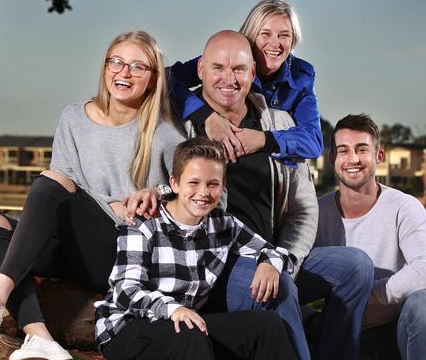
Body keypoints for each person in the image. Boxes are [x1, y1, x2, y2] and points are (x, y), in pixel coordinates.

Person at [128, 30, 374, 360]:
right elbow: (163, 187)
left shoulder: (279, 123)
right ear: (200, 69)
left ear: (252, 74)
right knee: (278, 288)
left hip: (272, 254)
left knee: (355, 265)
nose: (228, 79)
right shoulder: (177, 126)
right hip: (215, 265)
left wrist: (280, 259)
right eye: (218, 68)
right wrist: (154, 190)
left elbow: (302, 209)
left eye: (239, 69)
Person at [0, 31, 185, 360]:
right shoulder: (74, 116)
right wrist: (106, 201)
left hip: (121, 254)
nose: (124, 72)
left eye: (137, 67)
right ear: (104, 68)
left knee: (50, 177)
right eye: (116, 62)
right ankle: (38, 336)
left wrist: (157, 192)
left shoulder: (164, 135)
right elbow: (59, 196)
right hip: (71, 245)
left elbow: (198, 196)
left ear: (152, 78)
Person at [95, 138, 300, 360]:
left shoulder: (223, 224)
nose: (203, 192)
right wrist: (172, 309)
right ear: (174, 184)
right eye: (193, 183)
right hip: (128, 327)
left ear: (223, 186)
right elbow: (125, 291)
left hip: (186, 322)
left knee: (266, 326)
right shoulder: (144, 224)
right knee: (189, 334)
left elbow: (277, 252)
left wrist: (269, 263)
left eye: (212, 184)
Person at [314, 114, 426, 360]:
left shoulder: (404, 207)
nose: (353, 159)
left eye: (362, 149)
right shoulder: (315, 213)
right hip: (337, 330)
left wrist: (367, 295)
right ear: (333, 158)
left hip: (394, 330)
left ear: (379, 156)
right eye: (343, 150)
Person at [169, 0, 322, 163]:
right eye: (265, 34)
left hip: (265, 162)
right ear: (251, 34)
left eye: (284, 35)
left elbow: (313, 141)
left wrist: (263, 139)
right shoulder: (228, 55)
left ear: (293, 40)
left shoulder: (301, 76)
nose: (275, 43)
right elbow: (166, 79)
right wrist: (207, 117)